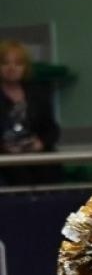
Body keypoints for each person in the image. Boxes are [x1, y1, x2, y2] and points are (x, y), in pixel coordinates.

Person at [0, 40, 61, 186]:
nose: (11, 68)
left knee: (50, 171)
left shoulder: (37, 94)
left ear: (25, 68)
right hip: (5, 159)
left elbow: (52, 129)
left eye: (18, 64)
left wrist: (40, 143)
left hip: (36, 155)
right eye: (5, 63)